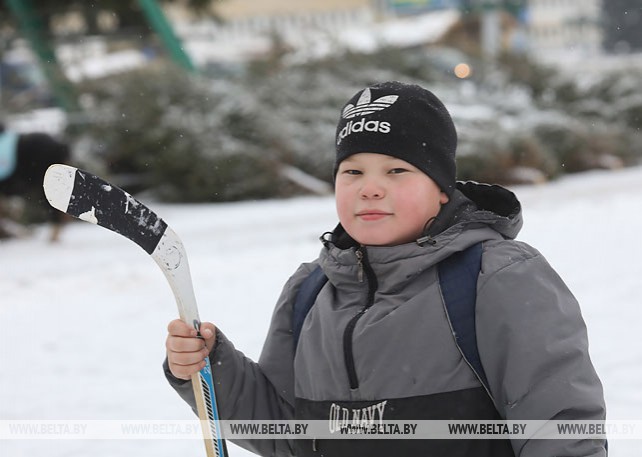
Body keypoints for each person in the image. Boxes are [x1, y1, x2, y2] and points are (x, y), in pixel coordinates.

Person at [164, 81, 606, 456]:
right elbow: (288, 434)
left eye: (396, 170)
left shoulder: (496, 277)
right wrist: (206, 369)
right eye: (352, 172)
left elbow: (562, 427)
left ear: (442, 192)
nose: (370, 189)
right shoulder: (310, 291)